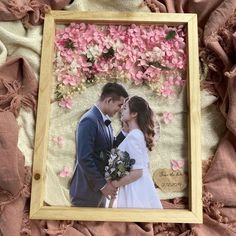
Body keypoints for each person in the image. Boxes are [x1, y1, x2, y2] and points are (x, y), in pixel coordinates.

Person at [69, 82, 128, 207]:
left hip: (98, 191)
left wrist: (125, 131)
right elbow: (84, 158)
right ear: (109, 100)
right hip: (85, 191)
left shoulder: (105, 121)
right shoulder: (89, 120)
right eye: (119, 105)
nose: (120, 109)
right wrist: (103, 185)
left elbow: (111, 149)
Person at [111, 96, 163, 209]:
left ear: (134, 113)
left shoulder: (134, 136)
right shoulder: (138, 134)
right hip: (141, 185)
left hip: (135, 188)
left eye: (125, 108)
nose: (121, 111)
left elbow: (137, 172)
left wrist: (115, 183)